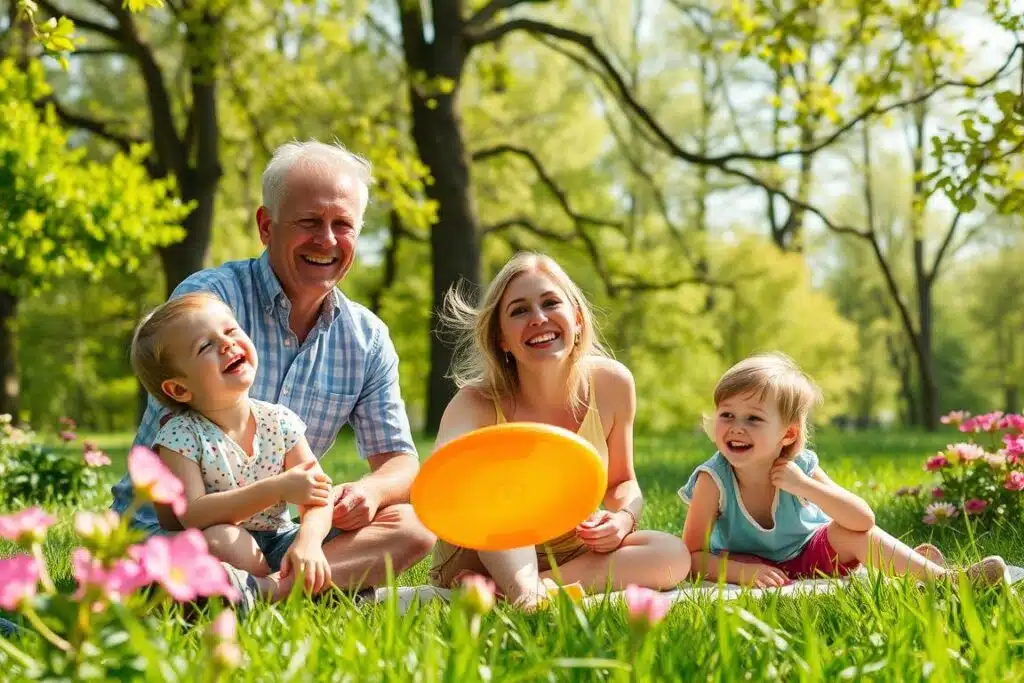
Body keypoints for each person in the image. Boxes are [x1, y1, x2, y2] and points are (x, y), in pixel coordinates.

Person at [109, 139, 435, 595]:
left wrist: (370, 493)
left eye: (343, 225)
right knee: (211, 545)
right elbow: (179, 506)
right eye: (309, 222)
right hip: (178, 536)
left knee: (413, 525)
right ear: (266, 226)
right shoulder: (209, 305)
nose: (327, 240)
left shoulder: (367, 337)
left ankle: (260, 595)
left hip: (280, 539)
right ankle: (304, 593)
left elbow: (400, 461)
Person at [427, 252, 691, 610]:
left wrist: (623, 519)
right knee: (491, 499)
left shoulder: (612, 384)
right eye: (519, 311)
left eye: (551, 303)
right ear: (502, 338)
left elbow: (622, 483)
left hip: (567, 548)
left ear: (577, 320)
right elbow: (444, 488)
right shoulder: (474, 402)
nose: (538, 318)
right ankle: (525, 594)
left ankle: (533, 589)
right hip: (483, 545)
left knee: (671, 554)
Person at [679, 351, 1010, 588]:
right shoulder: (714, 480)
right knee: (872, 545)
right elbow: (691, 556)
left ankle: (948, 581)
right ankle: (917, 564)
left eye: (753, 418)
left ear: (788, 434)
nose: (736, 427)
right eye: (727, 415)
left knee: (854, 534)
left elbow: (863, 521)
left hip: (812, 555)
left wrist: (807, 487)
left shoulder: (801, 467)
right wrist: (741, 573)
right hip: (747, 561)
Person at [129, 291, 340, 598]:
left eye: (230, 331)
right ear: (178, 388)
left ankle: (275, 590)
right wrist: (278, 489)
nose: (226, 344)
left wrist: (308, 542)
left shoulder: (279, 421)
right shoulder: (180, 436)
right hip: (227, 550)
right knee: (218, 538)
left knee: (384, 524)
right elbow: (192, 514)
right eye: (205, 346)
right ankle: (282, 592)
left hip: (282, 540)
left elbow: (319, 495)